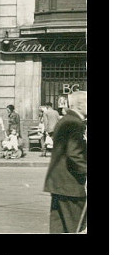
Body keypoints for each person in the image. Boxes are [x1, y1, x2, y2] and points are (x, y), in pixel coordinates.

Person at [43, 91, 86, 233]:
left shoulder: (66, 120)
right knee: (75, 226)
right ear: (81, 105)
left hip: (58, 183)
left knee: (59, 226)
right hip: (70, 185)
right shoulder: (75, 123)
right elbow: (74, 153)